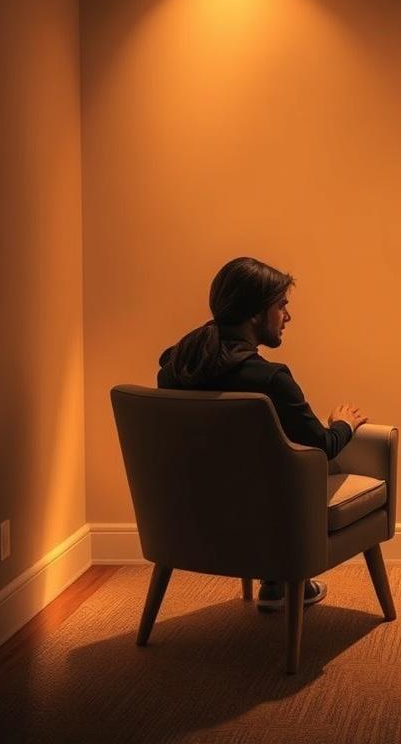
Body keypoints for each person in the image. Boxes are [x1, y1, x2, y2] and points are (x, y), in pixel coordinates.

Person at [157, 256, 367, 612]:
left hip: (188, 513)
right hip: (265, 521)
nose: (288, 316)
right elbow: (322, 447)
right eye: (281, 305)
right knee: (294, 465)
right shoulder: (270, 380)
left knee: (257, 462)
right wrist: (343, 423)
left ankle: (274, 581)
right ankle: (282, 573)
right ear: (256, 313)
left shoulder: (173, 368)